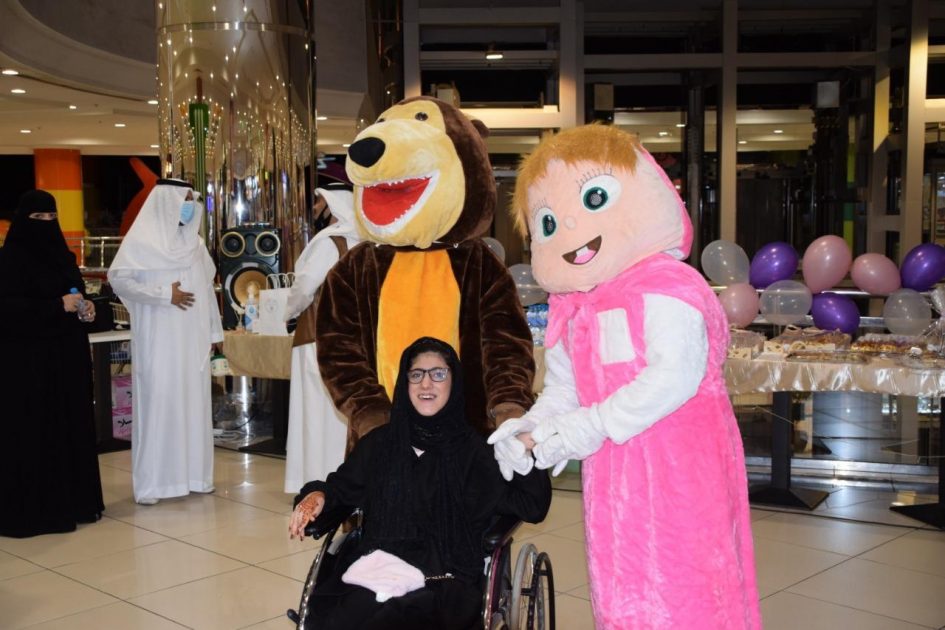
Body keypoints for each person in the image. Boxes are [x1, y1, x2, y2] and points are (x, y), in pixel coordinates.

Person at [492, 124, 761, 628]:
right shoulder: (574, 305)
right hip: (614, 482)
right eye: (547, 222)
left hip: (682, 473)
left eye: (594, 198)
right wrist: (531, 431)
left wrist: (583, 428)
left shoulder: (666, 288)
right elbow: (566, 389)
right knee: (621, 593)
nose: (569, 226)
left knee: (690, 597)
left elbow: (673, 377)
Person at [288, 337, 551, 630]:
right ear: (405, 383)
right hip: (376, 568)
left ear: (454, 382)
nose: (426, 384)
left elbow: (531, 505)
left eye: (438, 374)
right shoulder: (379, 444)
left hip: (445, 578)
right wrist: (317, 496)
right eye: (416, 375)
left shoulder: (474, 452)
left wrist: (523, 449)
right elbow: (340, 490)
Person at [108, 179, 223, 505]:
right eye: (182, 200)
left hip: (193, 341)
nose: (188, 206)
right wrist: (163, 294)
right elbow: (119, 280)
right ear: (165, 203)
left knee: (194, 405)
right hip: (159, 341)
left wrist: (214, 334)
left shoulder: (195, 245)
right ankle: (154, 485)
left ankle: (195, 477)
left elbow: (207, 292)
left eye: (190, 200)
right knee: (160, 405)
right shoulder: (141, 241)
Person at [0, 189, 104, 537]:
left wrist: (86, 308)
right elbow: (7, 311)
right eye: (38, 218)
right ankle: (35, 510)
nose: (46, 224)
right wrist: (54, 306)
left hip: (67, 357)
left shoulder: (63, 257)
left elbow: (76, 292)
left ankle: (75, 502)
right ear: (22, 221)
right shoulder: (9, 261)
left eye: (51, 218)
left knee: (70, 426)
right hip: (28, 363)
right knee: (35, 431)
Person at [283, 186, 362, 493]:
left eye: (320, 202)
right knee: (343, 410)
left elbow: (304, 287)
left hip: (317, 335)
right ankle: (343, 479)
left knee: (315, 409)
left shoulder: (330, 242)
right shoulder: (366, 242)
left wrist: (287, 312)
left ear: (334, 206)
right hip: (354, 337)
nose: (316, 208)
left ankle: (315, 479)